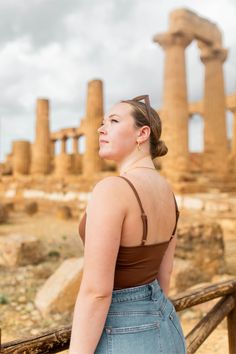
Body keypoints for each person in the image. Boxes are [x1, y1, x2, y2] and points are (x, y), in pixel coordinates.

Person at [68, 95, 186, 354]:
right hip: (166, 325)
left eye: (113, 120)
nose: (101, 128)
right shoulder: (168, 192)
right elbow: (164, 276)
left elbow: (97, 292)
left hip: (123, 333)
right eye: (102, 122)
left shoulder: (111, 190)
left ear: (142, 133)